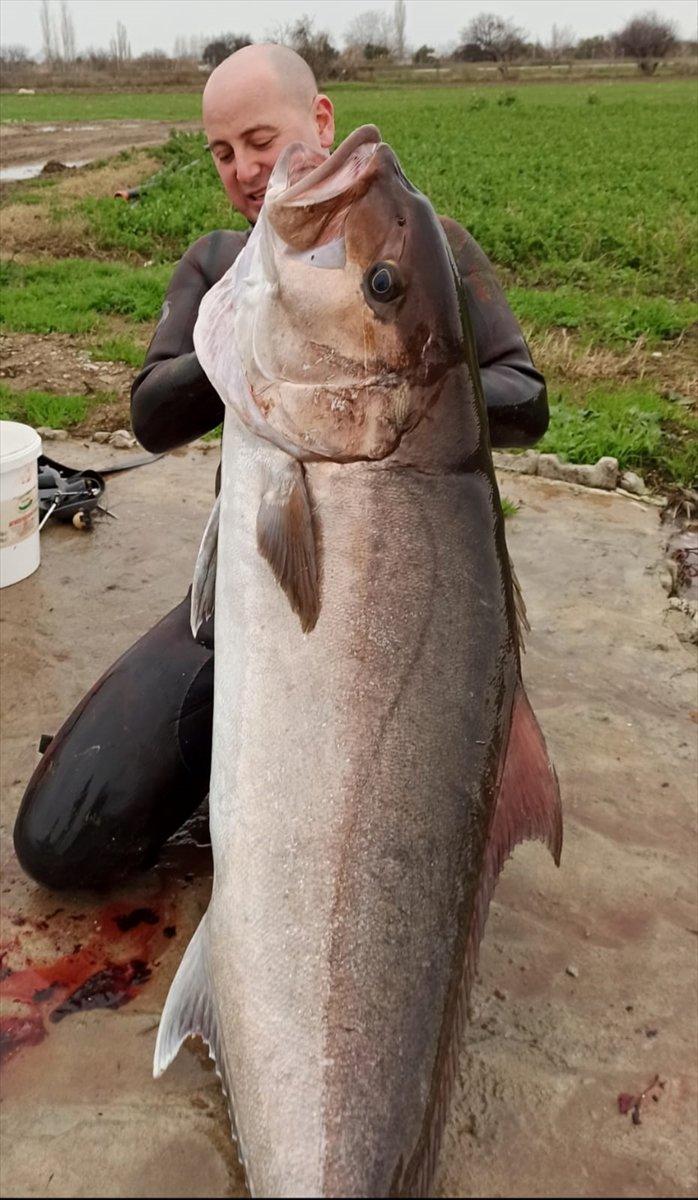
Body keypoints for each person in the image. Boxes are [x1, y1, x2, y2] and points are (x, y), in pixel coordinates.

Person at [14, 45, 549, 891]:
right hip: (251, 588)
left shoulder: (423, 253)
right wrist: (260, 346)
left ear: (320, 120)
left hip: (396, 583)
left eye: (260, 140)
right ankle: (238, 764)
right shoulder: (219, 263)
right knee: (63, 838)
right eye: (222, 152)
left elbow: (526, 396)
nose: (244, 168)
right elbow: (152, 416)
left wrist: (390, 382)